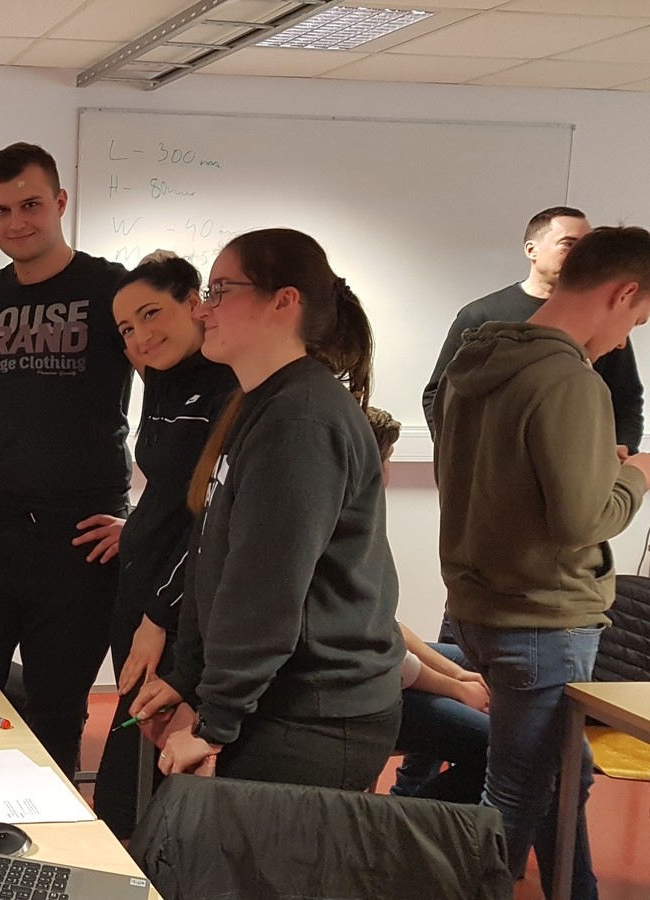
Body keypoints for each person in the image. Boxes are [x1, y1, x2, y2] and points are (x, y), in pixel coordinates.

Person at [131, 228, 404, 791]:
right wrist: (190, 677)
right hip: (274, 700)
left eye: (220, 291)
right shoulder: (260, 402)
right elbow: (215, 556)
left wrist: (213, 721)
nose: (203, 309)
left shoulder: (300, 420)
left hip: (310, 716)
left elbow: (266, 589)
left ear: (284, 301)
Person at [434, 226, 650, 900]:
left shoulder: (474, 362)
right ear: (623, 293)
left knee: (561, 769)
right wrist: (637, 474)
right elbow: (582, 522)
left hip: (479, 606)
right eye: (637, 319)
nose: (628, 338)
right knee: (516, 791)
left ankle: (575, 890)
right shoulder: (570, 381)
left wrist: (592, 468)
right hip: (542, 617)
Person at [0, 143, 134, 777]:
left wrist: (143, 521)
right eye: (1, 210)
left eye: (31, 205)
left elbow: (178, 406)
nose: (16, 222)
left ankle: (50, 831)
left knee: (56, 712)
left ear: (60, 202)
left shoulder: (112, 289)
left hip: (82, 534)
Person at [91, 257, 238, 839]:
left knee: (146, 774)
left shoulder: (232, 388)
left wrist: (160, 615)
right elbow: (171, 490)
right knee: (136, 756)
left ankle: (139, 864)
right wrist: (134, 529)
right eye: (127, 328)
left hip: (177, 611)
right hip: (138, 588)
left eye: (152, 314)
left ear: (194, 302)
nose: (141, 336)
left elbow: (210, 523)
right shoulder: (161, 377)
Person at [422, 206, 642, 454]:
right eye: (569, 244)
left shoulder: (603, 324)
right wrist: (459, 455)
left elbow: (627, 398)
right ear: (531, 250)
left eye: (586, 246)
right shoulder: (480, 315)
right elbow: (437, 394)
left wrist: (620, 450)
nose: (581, 255)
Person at [367, 407, 491, 805]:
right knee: (502, 751)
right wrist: (456, 688)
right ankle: (408, 819)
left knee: (471, 661)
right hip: (366, 686)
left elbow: (388, 624)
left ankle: (410, 791)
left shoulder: (364, 519)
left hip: (382, 664)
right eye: (388, 460)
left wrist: (457, 673)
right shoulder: (343, 529)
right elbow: (385, 654)